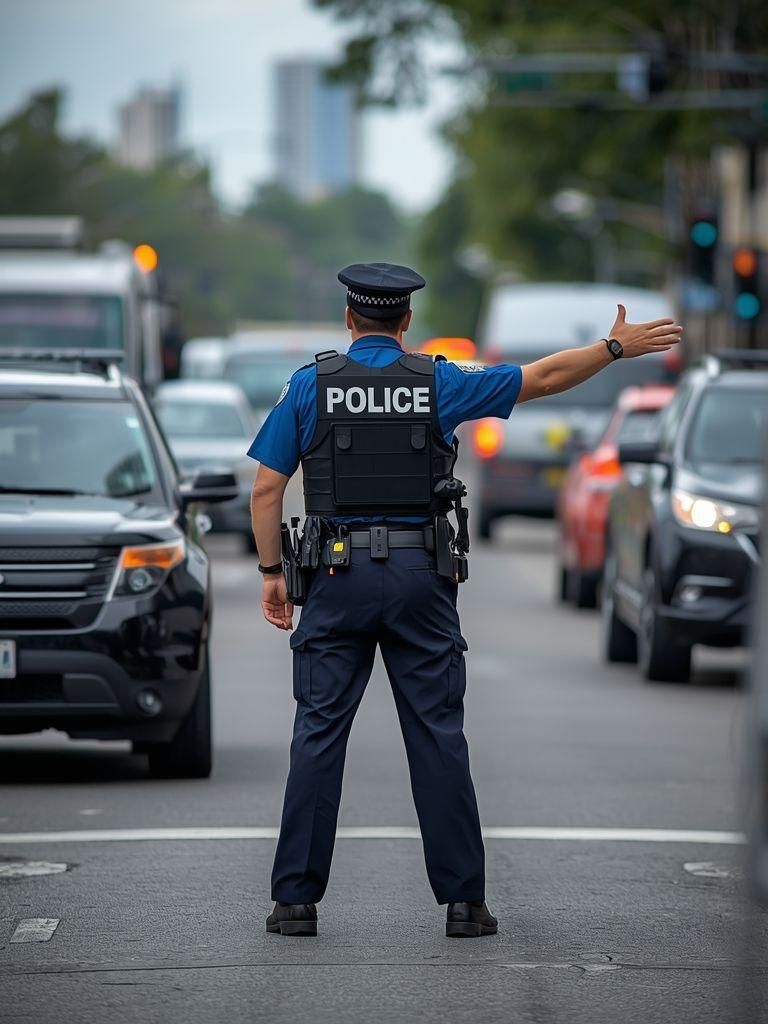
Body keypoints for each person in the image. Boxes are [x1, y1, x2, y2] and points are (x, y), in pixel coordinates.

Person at [248, 262, 682, 938]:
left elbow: (266, 489)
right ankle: (463, 903)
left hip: (334, 579)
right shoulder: (438, 382)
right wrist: (614, 347)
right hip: (422, 577)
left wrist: (273, 574)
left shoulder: (310, 387)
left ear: (349, 319)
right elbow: (539, 379)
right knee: (437, 736)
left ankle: (295, 902)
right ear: (406, 322)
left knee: (318, 735)